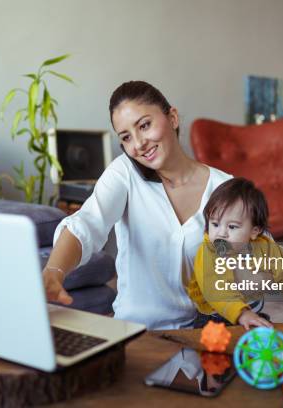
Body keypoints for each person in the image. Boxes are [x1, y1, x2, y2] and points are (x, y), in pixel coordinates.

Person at [42, 80, 232, 329]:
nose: (139, 143)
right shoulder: (125, 172)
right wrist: (54, 271)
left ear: (172, 117)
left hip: (203, 334)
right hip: (136, 332)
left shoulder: (225, 188)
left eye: (145, 125)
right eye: (126, 137)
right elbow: (87, 223)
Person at [188, 177, 283, 330]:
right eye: (215, 224)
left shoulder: (265, 247)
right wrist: (242, 314)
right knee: (214, 350)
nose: (221, 233)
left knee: (267, 339)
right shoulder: (210, 251)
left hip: (250, 313)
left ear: (254, 231)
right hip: (214, 318)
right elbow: (216, 291)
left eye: (232, 227)